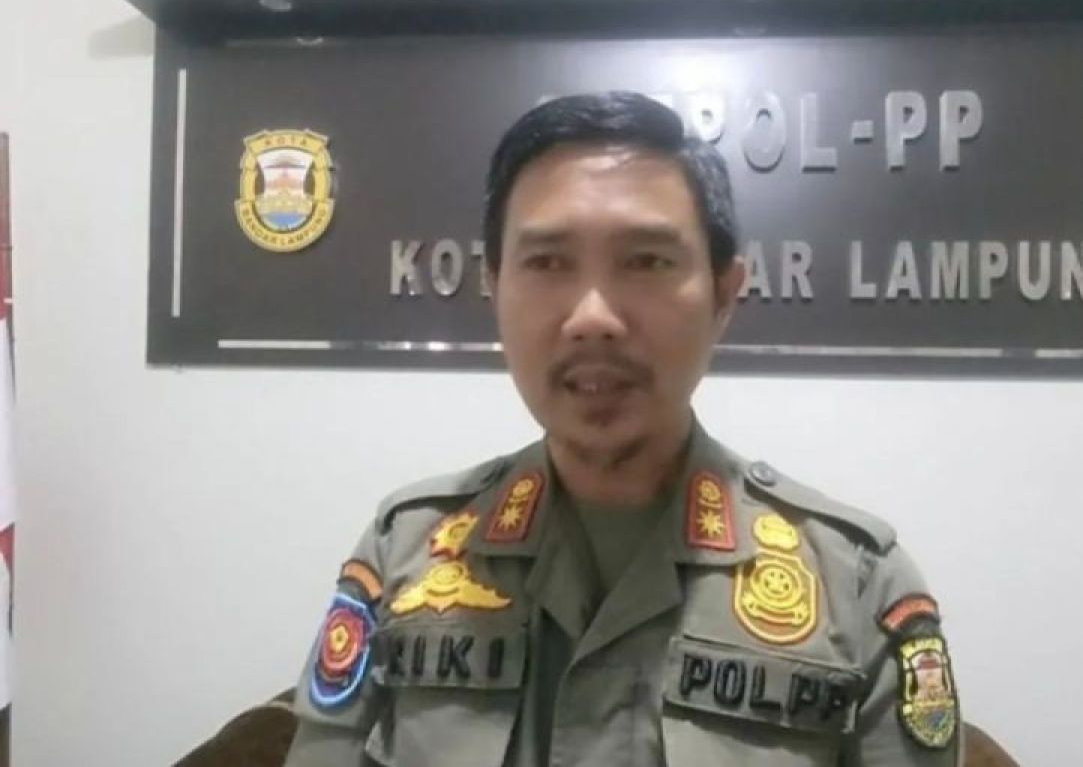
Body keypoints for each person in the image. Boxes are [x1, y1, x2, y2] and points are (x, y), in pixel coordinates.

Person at [281, 91, 963, 766]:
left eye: (646, 261)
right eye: (548, 262)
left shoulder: (856, 586)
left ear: (724, 296)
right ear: (494, 286)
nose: (593, 317)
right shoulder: (408, 552)